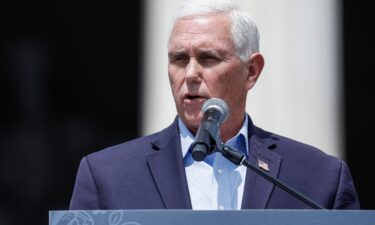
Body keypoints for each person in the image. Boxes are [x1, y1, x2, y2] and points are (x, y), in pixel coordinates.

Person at [69, 0, 360, 210]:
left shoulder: (319, 178)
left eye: (209, 58)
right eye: (179, 59)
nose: (191, 74)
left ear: (251, 71)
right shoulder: (106, 176)